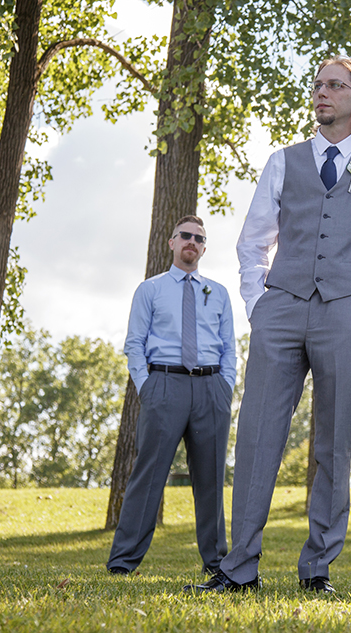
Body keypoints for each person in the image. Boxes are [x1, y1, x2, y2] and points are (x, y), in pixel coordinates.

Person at [187, 56, 351, 594]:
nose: (322, 94)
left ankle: (317, 568)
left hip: (346, 311)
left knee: (334, 442)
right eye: (318, 86)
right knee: (258, 436)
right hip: (282, 308)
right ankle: (239, 568)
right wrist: (257, 303)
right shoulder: (282, 161)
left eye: (335, 86)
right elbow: (252, 240)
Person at [107, 215, 236, 577]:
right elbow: (134, 343)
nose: (191, 242)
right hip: (164, 385)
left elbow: (230, 347)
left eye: (199, 238)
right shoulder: (150, 289)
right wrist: (146, 387)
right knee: (148, 476)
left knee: (211, 479)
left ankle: (216, 565)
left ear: (204, 248)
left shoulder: (219, 292)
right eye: (185, 236)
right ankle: (122, 563)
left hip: (211, 389)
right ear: (172, 242)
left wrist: (226, 386)